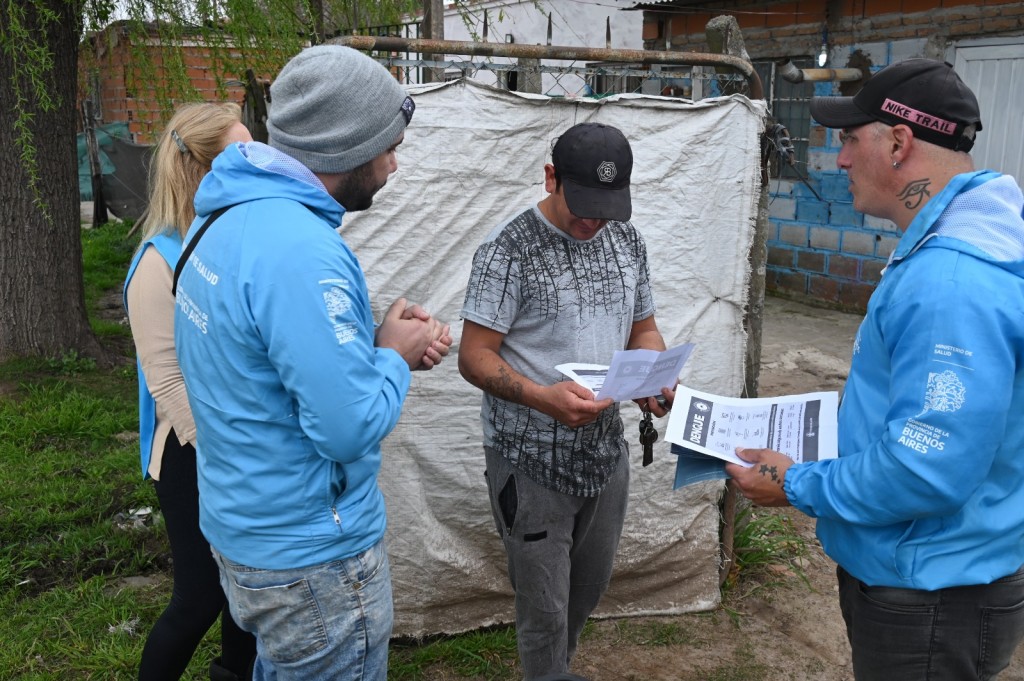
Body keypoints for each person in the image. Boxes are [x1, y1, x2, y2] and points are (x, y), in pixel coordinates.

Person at [726, 58, 1024, 680]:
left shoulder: (951, 281)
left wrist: (796, 483)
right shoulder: (957, 248)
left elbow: (925, 466)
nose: (838, 160)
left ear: (899, 142)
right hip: (939, 576)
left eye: (848, 139)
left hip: (929, 594)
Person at [172, 45, 452, 681]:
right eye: (388, 145)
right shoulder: (302, 250)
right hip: (311, 558)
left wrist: (375, 345)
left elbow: (257, 366)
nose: (394, 163)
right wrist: (391, 357)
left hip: (242, 527)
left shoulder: (220, 217)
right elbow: (347, 427)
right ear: (346, 145)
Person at [458, 122, 673, 680]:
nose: (592, 221)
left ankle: (555, 670)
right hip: (528, 461)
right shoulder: (508, 251)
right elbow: (473, 356)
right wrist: (539, 398)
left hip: (605, 451)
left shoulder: (627, 241)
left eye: (606, 208)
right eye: (582, 205)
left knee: (588, 588)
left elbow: (644, 329)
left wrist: (652, 372)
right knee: (544, 606)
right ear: (550, 177)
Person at [124, 102, 257, 681]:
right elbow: (168, 383)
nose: (257, 163)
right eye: (241, 153)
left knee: (244, 593)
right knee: (200, 596)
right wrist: (231, 455)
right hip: (191, 452)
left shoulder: (232, 237)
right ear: (200, 168)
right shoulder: (158, 261)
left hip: (238, 445)